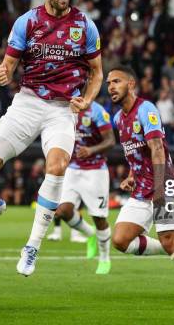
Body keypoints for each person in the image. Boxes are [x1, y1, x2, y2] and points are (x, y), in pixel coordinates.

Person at [0, 0, 103, 277]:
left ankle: (32, 247)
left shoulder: (85, 25)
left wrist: (87, 98)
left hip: (62, 111)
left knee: (56, 167)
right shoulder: (26, 23)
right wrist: (3, 73)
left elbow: (97, 73)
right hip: (27, 103)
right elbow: (9, 65)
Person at [106, 66, 174, 311]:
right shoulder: (118, 119)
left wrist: (158, 189)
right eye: (108, 83)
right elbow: (135, 153)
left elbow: (157, 148)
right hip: (140, 189)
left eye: (116, 81)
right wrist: (131, 175)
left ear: (131, 84)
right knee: (120, 240)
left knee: (170, 243)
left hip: (163, 184)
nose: (111, 86)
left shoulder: (146, 110)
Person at [52, 100, 116, 274]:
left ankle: (104, 258)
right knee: (62, 211)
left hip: (95, 172)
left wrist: (92, 150)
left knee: (99, 218)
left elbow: (110, 140)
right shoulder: (66, 107)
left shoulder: (97, 111)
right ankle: (91, 235)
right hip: (73, 169)